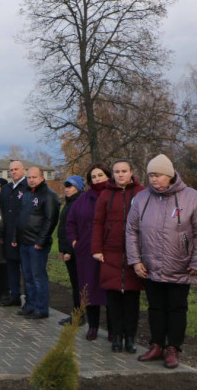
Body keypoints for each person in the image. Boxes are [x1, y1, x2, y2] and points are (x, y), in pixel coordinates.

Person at [126, 154, 197, 368]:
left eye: (157, 175)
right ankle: (156, 345)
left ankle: (173, 348)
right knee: (155, 307)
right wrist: (136, 260)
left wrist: (195, 262)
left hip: (180, 265)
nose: (153, 180)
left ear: (169, 175)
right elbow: (131, 230)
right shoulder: (141, 198)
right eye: (150, 176)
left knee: (177, 308)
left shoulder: (191, 197)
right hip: (150, 266)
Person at [92, 159, 145, 353]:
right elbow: (97, 222)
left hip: (134, 254)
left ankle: (130, 337)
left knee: (132, 298)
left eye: (124, 171)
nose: (120, 174)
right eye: (117, 171)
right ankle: (116, 336)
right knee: (113, 298)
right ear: (112, 174)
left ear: (131, 172)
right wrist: (97, 249)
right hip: (110, 253)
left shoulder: (141, 193)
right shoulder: (106, 195)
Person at [68, 166, 113, 339]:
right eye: (93, 176)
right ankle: (93, 326)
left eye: (100, 175)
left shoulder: (114, 196)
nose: (97, 179)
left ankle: (112, 328)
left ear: (108, 176)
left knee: (110, 290)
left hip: (109, 252)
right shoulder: (83, 199)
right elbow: (70, 222)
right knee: (89, 290)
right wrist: (74, 242)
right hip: (86, 252)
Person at [16, 166, 60, 319]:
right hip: (24, 242)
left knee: (38, 277)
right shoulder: (27, 194)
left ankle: (41, 309)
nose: (31, 180)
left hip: (37, 244)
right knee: (27, 276)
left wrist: (40, 241)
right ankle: (30, 305)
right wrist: (16, 238)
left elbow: (51, 220)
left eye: (34, 177)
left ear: (42, 178)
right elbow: (21, 217)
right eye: (29, 177)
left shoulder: (49, 196)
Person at [0, 160, 29, 307]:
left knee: (26, 269)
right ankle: (14, 295)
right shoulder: (6, 189)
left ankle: (29, 300)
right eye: (11, 170)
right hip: (8, 234)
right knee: (11, 266)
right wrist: (0, 234)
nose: (14, 172)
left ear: (24, 170)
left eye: (16, 169)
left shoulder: (28, 186)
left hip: (24, 235)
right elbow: (1, 212)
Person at [56, 175, 84, 327]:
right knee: (75, 284)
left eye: (70, 186)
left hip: (74, 251)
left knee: (78, 284)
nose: (67, 189)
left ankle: (79, 315)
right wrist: (62, 249)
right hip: (67, 249)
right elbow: (62, 229)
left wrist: (69, 251)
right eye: (66, 186)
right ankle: (77, 313)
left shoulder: (78, 203)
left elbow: (75, 230)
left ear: (78, 188)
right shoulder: (69, 203)